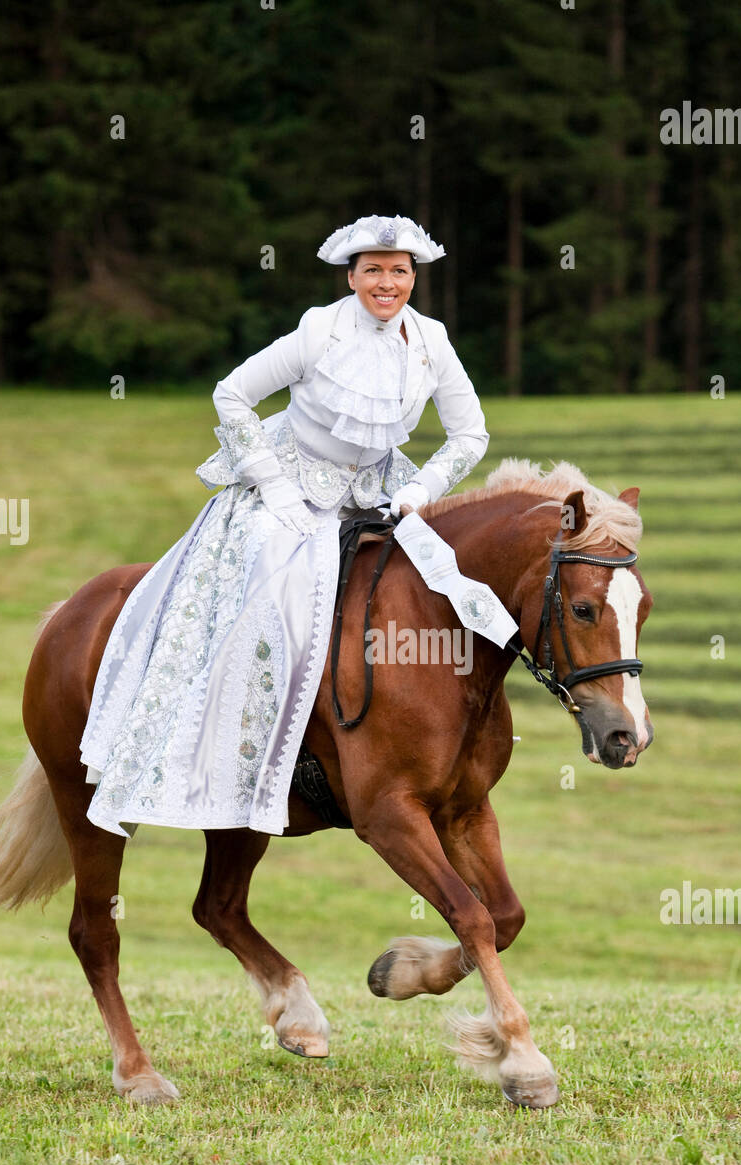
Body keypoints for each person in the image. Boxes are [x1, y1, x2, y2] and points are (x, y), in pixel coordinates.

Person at [79, 214, 489, 838]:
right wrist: (271, 484)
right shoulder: (318, 331)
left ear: (414, 279)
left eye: (398, 272)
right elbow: (231, 394)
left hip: (376, 492)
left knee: (435, 581)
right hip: (285, 488)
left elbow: (471, 434)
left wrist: (418, 491)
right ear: (352, 277)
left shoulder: (431, 340)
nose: (387, 282)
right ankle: (236, 748)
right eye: (373, 271)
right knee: (272, 590)